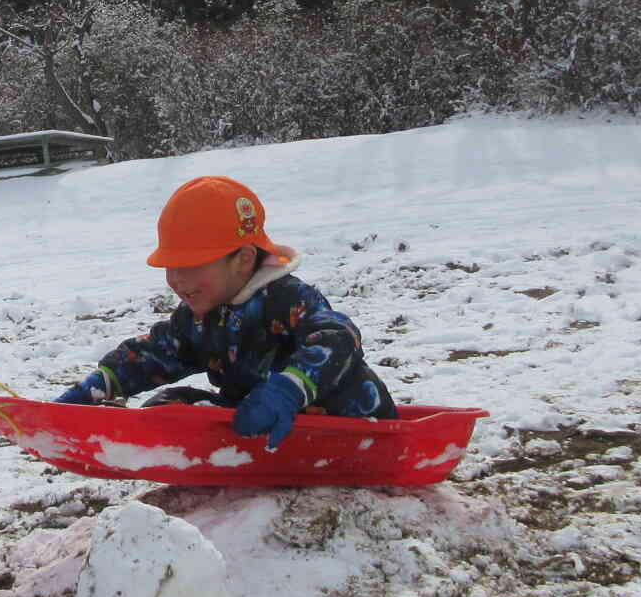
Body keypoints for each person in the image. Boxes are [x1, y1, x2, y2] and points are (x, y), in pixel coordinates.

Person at [55, 176, 395, 446]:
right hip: (256, 422)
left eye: (190, 267)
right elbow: (159, 353)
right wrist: (104, 381)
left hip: (343, 422)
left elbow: (340, 338)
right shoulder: (200, 316)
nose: (176, 280)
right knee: (170, 408)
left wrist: (291, 387)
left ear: (243, 259)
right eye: (170, 268)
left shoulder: (287, 298)